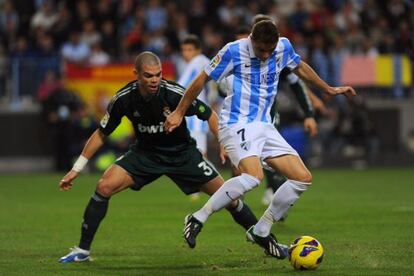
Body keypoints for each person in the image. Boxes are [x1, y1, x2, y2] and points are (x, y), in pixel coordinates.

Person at [165, 20, 356, 259]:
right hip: (236, 122)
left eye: (270, 50)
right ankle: (198, 217)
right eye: (261, 50)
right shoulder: (233, 51)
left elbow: (300, 67)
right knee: (254, 177)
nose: (266, 55)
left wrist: (327, 89)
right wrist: (179, 111)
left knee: (302, 178)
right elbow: (200, 81)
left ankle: (261, 230)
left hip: (265, 125)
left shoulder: (283, 47)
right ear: (251, 40)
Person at [58, 51, 258, 263]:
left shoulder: (174, 94)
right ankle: (82, 251)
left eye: (158, 74)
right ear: (136, 74)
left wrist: (224, 143)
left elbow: (208, 114)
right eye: (148, 75)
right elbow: (101, 133)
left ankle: (264, 237)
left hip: (182, 154)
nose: (154, 80)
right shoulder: (123, 99)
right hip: (145, 154)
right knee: (104, 186)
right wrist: (76, 169)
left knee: (229, 198)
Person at [229, 17, 319, 206]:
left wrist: (309, 114)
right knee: (242, 162)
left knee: (270, 161)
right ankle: (240, 199)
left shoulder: (277, 57)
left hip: (267, 118)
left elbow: (298, 83)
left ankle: (274, 191)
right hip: (240, 120)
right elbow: (221, 88)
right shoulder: (235, 58)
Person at [177, 34, 214, 201]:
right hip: (197, 114)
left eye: (190, 49)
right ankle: (202, 184)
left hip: (194, 116)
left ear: (198, 50)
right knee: (197, 151)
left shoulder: (197, 61)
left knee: (199, 152)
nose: (186, 53)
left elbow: (182, 86)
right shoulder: (204, 61)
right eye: (184, 50)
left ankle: (211, 184)